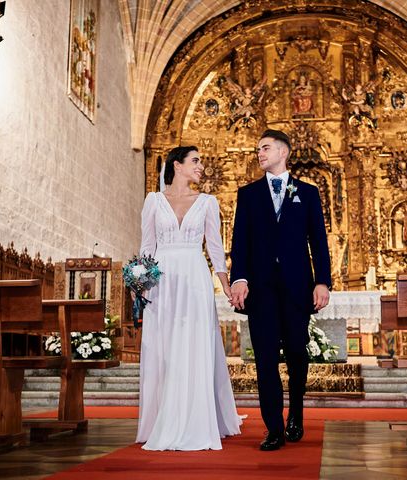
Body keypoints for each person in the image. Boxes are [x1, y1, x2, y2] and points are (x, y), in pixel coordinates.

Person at [230, 130, 331, 451]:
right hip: (260, 290)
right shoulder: (248, 194)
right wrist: (239, 278)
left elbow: (318, 241)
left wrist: (322, 281)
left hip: (297, 287)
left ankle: (296, 412)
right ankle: (273, 427)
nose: (259, 153)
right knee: (264, 359)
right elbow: (240, 242)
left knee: (298, 355)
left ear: (283, 152)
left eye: (265, 148)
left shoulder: (308, 193)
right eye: (257, 148)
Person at [136, 146, 242, 451]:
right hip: (162, 280)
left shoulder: (208, 202)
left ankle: (196, 418)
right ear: (177, 165)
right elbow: (146, 247)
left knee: (194, 343)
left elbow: (216, 249)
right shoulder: (153, 201)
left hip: (196, 277)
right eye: (195, 161)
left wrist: (226, 285)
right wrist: (141, 286)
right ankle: (161, 418)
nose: (201, 166)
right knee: (164, 346)